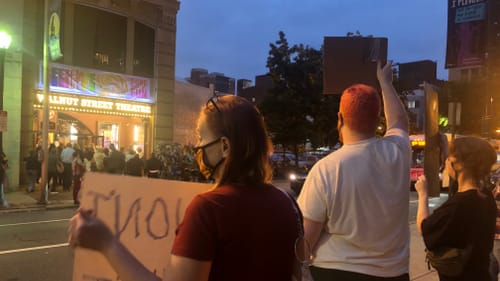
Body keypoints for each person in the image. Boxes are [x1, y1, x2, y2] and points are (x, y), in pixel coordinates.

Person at [68, 95, 302, 281]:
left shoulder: (209, 209)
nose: (197, 146)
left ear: (225, 146)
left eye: (201, 137)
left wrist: (107, 243)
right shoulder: (287, 202)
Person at [297, 61, 411, 280]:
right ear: (378, 119)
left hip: (334, 272)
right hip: (394, 273)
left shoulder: (326, 169)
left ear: (340, 118)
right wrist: (385, 83)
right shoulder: (398, 152)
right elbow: (399, 120)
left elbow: (304, 242)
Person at [415, 137, 497, 280]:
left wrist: (423, 194)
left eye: (448, 158)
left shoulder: (458, 205)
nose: (446, 162)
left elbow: (425, 228)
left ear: (458, 164)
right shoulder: (485, 196)